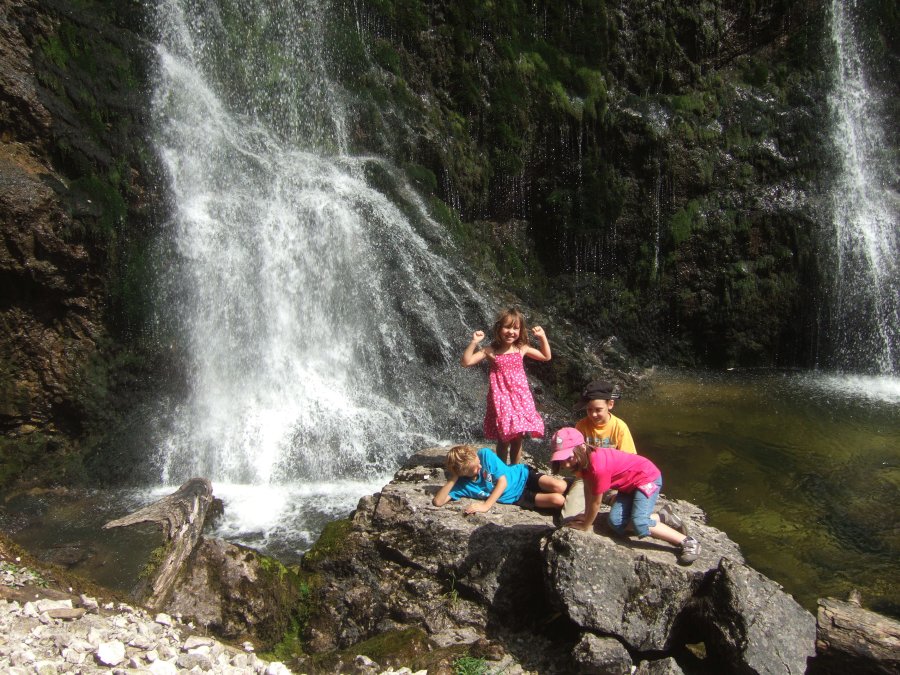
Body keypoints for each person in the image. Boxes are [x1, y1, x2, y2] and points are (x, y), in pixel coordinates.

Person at [550, 427, 702, 565]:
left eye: (569, 458)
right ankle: (662, 517)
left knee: (639, 522)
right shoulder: (584, 462)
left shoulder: (598, 466)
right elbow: (589, 489)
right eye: (561, 460)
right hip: (629, 487)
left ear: (582, 447)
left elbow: (596, 502)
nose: (566, 464)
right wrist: (587, 515)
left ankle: (687, 541)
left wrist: (585, 524)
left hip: (647, 479)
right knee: (615, 523)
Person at [460, 308, 551, 464]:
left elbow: (546, 356)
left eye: (516, 328)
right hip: (501, 398)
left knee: (518, 437)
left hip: (520, 398)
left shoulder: (521, 348)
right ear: (499, 329)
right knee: (504, 438)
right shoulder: (490, 351)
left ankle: (514, 469)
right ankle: (501, 471)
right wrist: (474, 342)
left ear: (521, 330)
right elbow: (466, 362)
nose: (511, 332)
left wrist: (542, 337)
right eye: (507, 327)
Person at [432, 444, 567, 514]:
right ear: (462, 473)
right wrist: (453, 477)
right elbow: (438, 502)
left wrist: (485, 506)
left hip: (523, 475)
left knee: (560, 487)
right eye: (474, 468)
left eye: (478, 462)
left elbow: (503, 482)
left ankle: (581, 484)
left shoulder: (484, 455)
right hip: (518, 497)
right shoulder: (461, 485)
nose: (480, 466)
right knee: (558, 500)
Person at [574, 380, 636, 454]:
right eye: (589, 409)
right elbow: (576, 454)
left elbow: (629, 456)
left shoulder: (620, 427)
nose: (593, 414)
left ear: (610, 404)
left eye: (598, 410)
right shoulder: (581, 426)